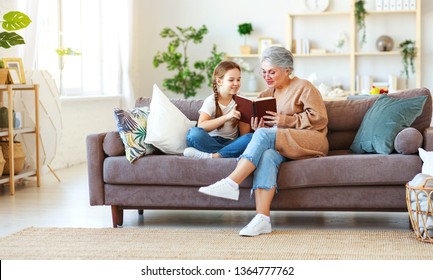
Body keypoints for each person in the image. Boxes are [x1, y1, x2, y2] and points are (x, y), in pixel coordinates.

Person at [198, 46, 329, 236]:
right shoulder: (265, 94)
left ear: (287, 70)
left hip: (311, 139)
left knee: (263, 137)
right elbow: (262, 130)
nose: (266, 76)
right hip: (282, 143)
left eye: (272, 72)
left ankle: (231, 182)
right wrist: (258, 128)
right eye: (264, 72)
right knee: (266, 154)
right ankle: (262, 219)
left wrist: (289, 120)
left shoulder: (304, 87)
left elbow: (320, 119)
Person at [184, 61, 253, 159]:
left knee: (252, 137)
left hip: (232, 142)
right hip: (210, 141)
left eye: (238, 79)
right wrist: (227, 116)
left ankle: (214, 156)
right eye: (231, 80)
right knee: (193, 133)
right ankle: (226, 153)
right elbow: (201, 126)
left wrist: (250, 123)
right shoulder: (211, 101)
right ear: (219, 81)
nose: (236, 83)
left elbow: (244, 135)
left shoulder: (242, 100)